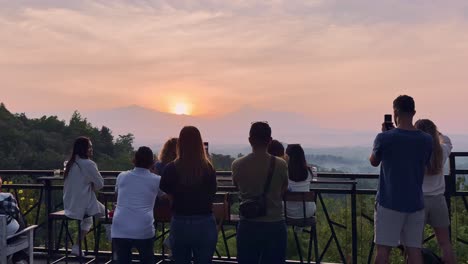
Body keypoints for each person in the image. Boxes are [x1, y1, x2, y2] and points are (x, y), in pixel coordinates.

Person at [369, 95, 432, 264]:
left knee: (383, 251)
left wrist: (385, 135)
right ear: (414, 112)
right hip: (416, 203)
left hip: (389, 202)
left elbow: (374, 162)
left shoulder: (385, 138)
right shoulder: (427, 140)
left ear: (395, 112)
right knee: (414, 251)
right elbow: (425, 166)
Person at [232, 122, 289, 264]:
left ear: (250, 140)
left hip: (248, 224)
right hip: (275, 224)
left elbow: (237, 186)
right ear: (269, 140)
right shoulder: (281, 164)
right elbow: (284, 188)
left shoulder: (237, 164)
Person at [160, 126, 218, 264]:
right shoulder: (208, 168)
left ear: (180, 144)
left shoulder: (171, 168)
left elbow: (167, 193)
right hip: (205, 222)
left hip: (180, 222)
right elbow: (212, 193)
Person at [415, 119, 456, 264]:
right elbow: (447, 141)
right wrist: (436, 132)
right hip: (438, 200)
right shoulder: (442, 151)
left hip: (418, 202)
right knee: (445, 243)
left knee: (414, 246)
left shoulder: (414, 153)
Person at [111, 146, 161, 264]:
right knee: (147, 259)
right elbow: (167, 197)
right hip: (143, 227)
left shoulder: (122, 176)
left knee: (123, 260)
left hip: (120, 227)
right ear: (152, 162)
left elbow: (117, 195)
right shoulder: (156, 179)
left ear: (134, 160)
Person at [63, 136, 105, 256]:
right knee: (108, 217)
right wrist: (92, 185)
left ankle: (76, 246)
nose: (92, 149)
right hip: (83, 204)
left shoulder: (70, 164)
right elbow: (100, 184)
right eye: (90, 147)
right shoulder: (88, 164)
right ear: (84, 149)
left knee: (88, 219)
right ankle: (116, 250)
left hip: (69, 204)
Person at [285, 144, 316, 219]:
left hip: (288, 212)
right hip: (307, 212)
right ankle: (300, 226)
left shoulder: (285, 171)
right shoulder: (309, 172)